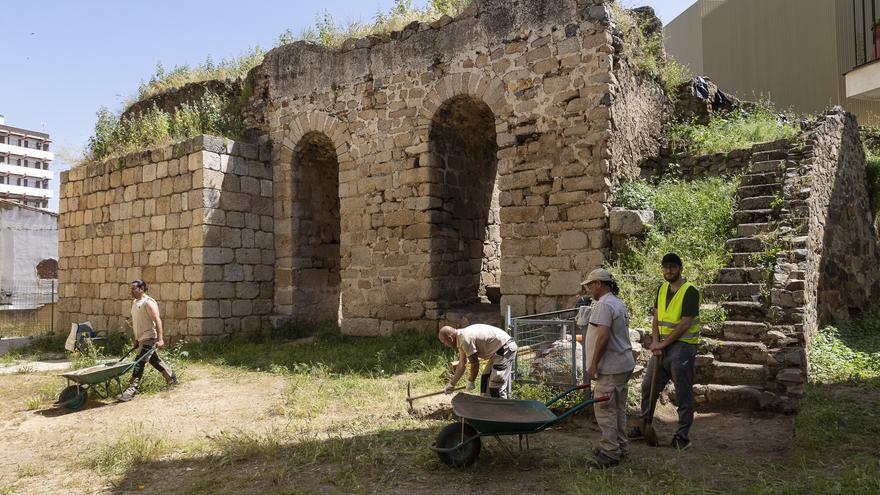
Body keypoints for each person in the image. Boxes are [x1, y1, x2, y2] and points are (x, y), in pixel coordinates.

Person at [628, 253, 701, 450]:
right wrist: (655, 341)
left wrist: (662, 344)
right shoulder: (661, 289)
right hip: (663, 346)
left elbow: (685, 324)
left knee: (683, 391)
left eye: (672, 267)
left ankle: (682, 435)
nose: (668, 270)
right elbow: (656, 318)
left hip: (683, 346)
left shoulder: (690, 291)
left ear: (680, 268)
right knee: (647, 386)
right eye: (665, 267)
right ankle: (644, 424)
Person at [580, 268, 635, 468]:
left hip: (610, 366)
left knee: (605, 409)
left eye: (589, 285)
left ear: (599, 284)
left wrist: (593, 364)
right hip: (622, 363)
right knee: (618, 408)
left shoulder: (603, 305)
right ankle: (619, 445)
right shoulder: (617, 303)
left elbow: (603, 336)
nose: (588, 289)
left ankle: (610, 452)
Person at [118, 280, 178, 402]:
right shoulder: (135, 303)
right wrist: (136, 339)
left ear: (141, 289)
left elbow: (157, 320)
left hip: (149, 337)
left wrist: (160, 339)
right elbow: (137, 322)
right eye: (131, 288)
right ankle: (172, 378)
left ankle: (132, 389)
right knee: (154, 360)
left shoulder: (148, 303)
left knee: (138, 362)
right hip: (141, 338)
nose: (131, 291)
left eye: (134, 288)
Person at [438, 324, 517, 398]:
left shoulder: (465, 339)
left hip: (505, 348)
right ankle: (487, 408)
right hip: (497, 351)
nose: (445, 345)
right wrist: (452, 384)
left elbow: (475, 364)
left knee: (495, 384)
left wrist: (471, 380)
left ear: (450, 338)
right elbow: (462, 364)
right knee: (486, 379)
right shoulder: (461, 338)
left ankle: (502, 410)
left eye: (444, 342)